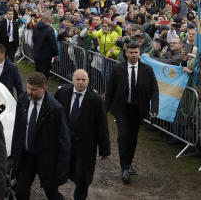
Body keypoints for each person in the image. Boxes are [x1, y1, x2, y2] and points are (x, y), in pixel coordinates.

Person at [104, 42, 158, 183]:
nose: (134, 55)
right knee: (123, 136)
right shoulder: (117, 69)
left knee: (133, 138)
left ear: (139, 53)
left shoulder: (147, 70)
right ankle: (124, 168)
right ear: (126, 53)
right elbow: (110, 90)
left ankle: (128, 162)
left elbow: (154, 90)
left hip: (138, 109)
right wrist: (104, 109)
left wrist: (154, 108)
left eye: (136, 52)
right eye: (131, 52)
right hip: (121, 108)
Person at [11, 72, 70, 200]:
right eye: (28, 88)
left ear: (44, 89)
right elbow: (18, 129)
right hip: (27, 157)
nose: (29, 92)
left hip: (46, 159)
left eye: (34, 90)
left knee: (52, 194)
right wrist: (16, 153)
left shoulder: (55, 109)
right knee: (21, 192)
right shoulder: (22, 99)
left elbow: (64, 140)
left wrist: (62, 168)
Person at [53, 69, 109, 200]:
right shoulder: (63, 92)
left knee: (82, 177)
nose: (80, 82)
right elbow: (53, 112)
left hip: (85, 145)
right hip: (64, 142)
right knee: (57, 170)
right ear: (72, 79)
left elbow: (102, 125)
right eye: (77, 79)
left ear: (88, 81)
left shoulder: (96, 100)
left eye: (83, 80)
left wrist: (104, 149)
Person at [32, 12, 59, 78]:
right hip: (46, 56)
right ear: (48, 20)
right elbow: (53, 43)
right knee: (44, 75)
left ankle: (37, 87)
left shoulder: (36, 27)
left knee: (38, 73)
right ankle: (40, 87)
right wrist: (55, 53)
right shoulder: (49, 29)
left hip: (37, 53)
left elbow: (33, 40)